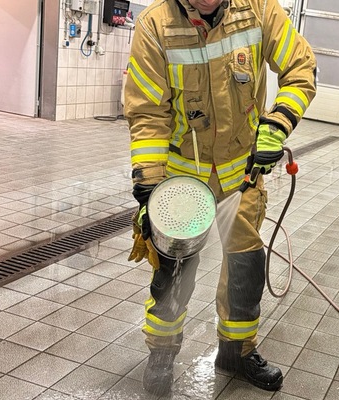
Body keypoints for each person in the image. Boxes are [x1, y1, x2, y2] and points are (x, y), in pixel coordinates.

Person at [123, 0, 316, 395]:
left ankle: (236, 352)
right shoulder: (155, 25)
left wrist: (276, 125)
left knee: (244, 269)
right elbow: (147, 113)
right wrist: (148, 187)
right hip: (181, 178)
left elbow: (301, 70)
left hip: (240, 175)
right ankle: (161, 354)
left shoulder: (260, 10)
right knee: (172, 273)